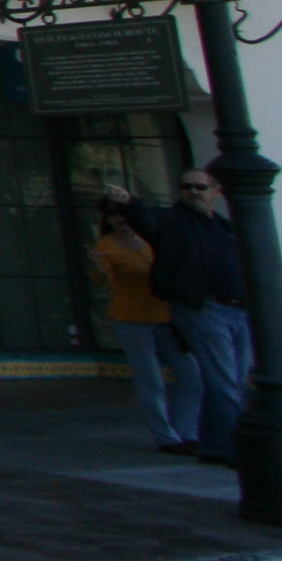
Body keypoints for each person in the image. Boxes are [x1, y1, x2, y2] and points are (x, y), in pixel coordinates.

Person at [143, 169, 253, 467]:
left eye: (200, 187)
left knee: (233, 381)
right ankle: (236, 448)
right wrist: (127, 203)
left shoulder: (224, 227)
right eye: (186, 187)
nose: (193, 191)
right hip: (206, 309)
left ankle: (215, 446)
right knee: (224, 381)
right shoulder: (174, 221)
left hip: (238, 310)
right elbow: (146, 220)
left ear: (215, 191)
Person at [90, 187, 201, 456]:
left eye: (123, 213)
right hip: (131, 317)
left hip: (165, 315)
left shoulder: (152, 239)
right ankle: (166, 436)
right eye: (113, 214)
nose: (120, 219)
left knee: (190, 373)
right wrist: (97, 267)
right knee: (150, 378)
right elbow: (104, 280)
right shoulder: (106, 246)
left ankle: (187, 431)